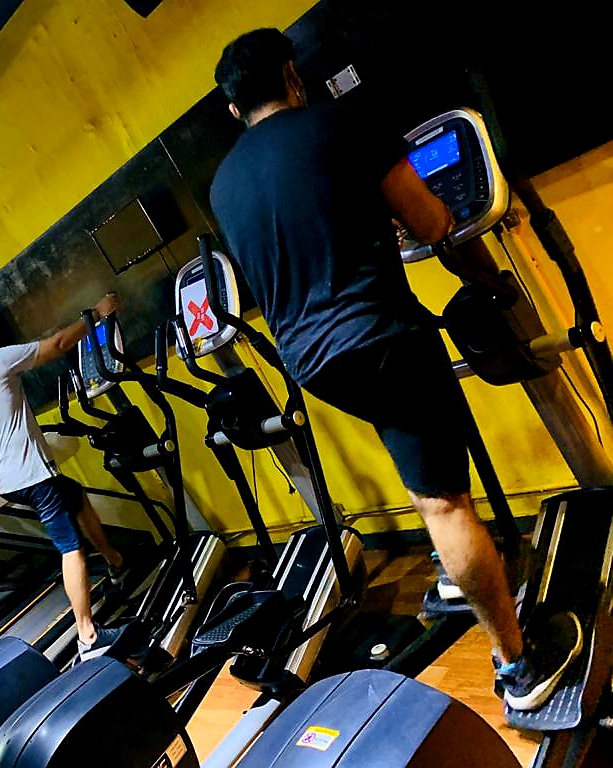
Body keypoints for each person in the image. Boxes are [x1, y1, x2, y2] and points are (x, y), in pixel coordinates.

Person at [209, 28, 581, 714]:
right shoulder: (342, 124)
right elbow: (433, 221)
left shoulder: (223, 185)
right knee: (445, 502)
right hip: (381, 337)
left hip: (314, 365)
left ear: (234, 109)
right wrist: (490, 282)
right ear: (293, 76)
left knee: (423, 477)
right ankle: (517, 665)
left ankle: (457, 571)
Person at [0, 295, 129, 662]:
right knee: (70, 547)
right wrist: (96, 314)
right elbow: (57, 344)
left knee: (74, 494)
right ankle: (88, 636)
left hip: (8, 484)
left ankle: (115, 561)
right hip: (31, 475)